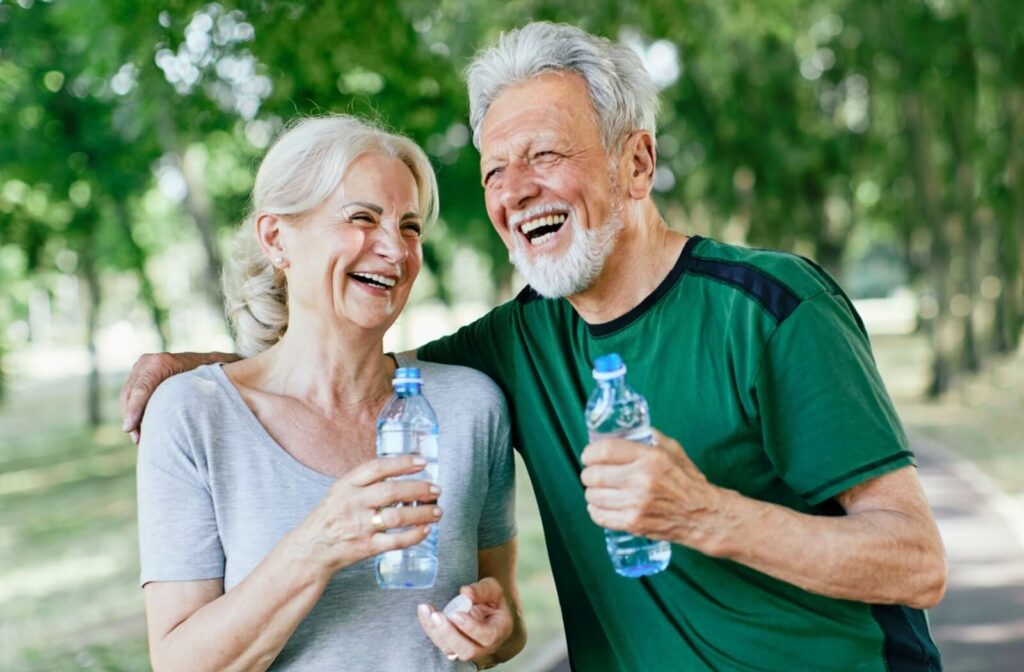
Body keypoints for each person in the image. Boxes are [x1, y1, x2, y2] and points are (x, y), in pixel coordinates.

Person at [123, 23, 947, 671]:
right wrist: (194, 372)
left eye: (544, 155)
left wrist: (706, 515)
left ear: (636, 161)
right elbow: (344, 365)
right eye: (492, 171)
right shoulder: (515, 344)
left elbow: (915, 562)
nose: (515, 191)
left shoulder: (770, 308)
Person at [134, 115, 526, 671]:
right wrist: (316, 546)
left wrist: (496, 630)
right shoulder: (192, 418)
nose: (395, 249)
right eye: (362, 218)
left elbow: (506, 623)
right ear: (276, 238)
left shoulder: (471, 408)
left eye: (410, 227)